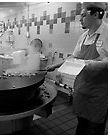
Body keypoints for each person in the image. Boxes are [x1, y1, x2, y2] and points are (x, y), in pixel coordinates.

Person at [45, 2, 108, 135]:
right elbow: (73, 58)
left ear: (96, 14)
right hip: (82, 87)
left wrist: (87, 64)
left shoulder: (107, 34)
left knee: (95, 127)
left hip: (99, 92)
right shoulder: (83, 36)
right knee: (81, 123)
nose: (80, 19)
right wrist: (54, 66)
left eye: (83, 15)